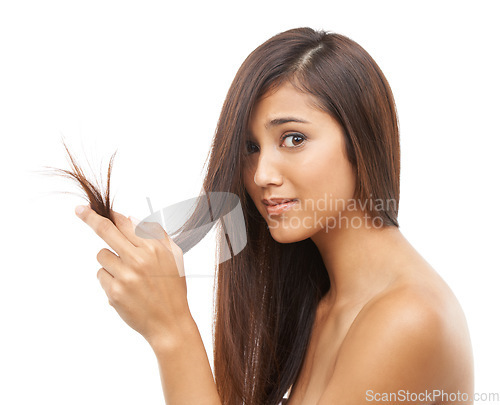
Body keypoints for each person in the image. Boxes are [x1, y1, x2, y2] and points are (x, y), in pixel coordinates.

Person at [70, 27, 473, 404]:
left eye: (293, 139)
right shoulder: (323, 306)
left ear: (361, 141)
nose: (262, 175)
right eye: (250, 147)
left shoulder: (408, 320)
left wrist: (171, 331)